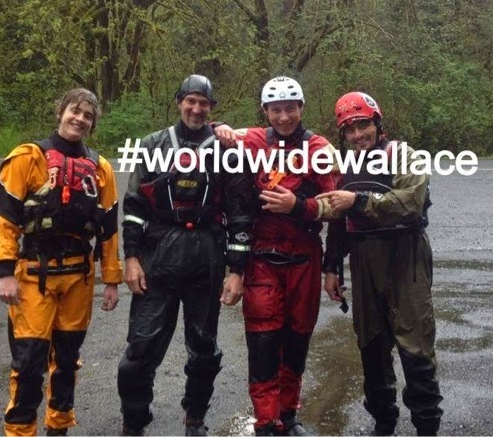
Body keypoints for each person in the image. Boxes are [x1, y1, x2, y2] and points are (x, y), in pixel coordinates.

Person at [118, 74, 253, 436]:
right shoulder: (152, 144)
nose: (196, 109)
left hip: (206, 254)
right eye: (190, 101)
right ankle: (134, 420)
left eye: (203, 103)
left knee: (204, 346)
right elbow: (134, 207)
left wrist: (236, 271)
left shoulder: (228, 151)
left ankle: (195, 416)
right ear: (179, 102)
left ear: (212, 108)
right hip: (157, 253)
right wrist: (131, 258)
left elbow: (240, 214)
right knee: (141, 346)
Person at [0, 88, 123, 436]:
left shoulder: (100, 168)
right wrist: (5, 272)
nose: (80, 119)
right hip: (34, 274)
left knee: (67, 362)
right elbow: (5, 219)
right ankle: (20, 431)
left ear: (93, 124)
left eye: (88, 115)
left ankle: (58, 427)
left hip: (79, 277)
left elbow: (109, 230)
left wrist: (111, 280)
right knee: (29, 363)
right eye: (74, 111)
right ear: (60, 111)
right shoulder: (28, 158)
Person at [214, 76, 340, 436]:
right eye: (276, 110)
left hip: (304, 255)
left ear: (301, 108)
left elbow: (336, 206)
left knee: (297, 339)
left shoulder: (321, 148)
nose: (284, 117)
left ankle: (288, 413)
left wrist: (298, 205)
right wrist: (218, 126)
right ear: (265, 111)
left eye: (290, 109)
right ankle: (267, 421)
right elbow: (212, 131)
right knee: (263, 341)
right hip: (263, 257)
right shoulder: (254, 139)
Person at [318, 91, 443, 436]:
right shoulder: (347, 167)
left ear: (377, 123)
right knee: (371, 345)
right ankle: (383, 423)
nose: (358, 134)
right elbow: (339, 221)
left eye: (363, 125)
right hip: (363, 258)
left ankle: (427, 427)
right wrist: (331, 266)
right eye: (350, 129)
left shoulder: (402, 155)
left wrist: (358, 200)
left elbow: (410, 202)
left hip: (405, 255)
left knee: (415, 347)